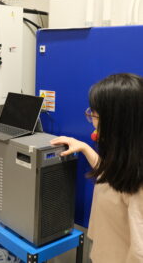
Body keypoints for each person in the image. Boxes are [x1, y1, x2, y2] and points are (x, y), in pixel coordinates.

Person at [50, 73, 143, 263]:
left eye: (94, 112)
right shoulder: (129, 161)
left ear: (116, 120)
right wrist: (83, 147)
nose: (92, 117)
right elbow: (112, 176)